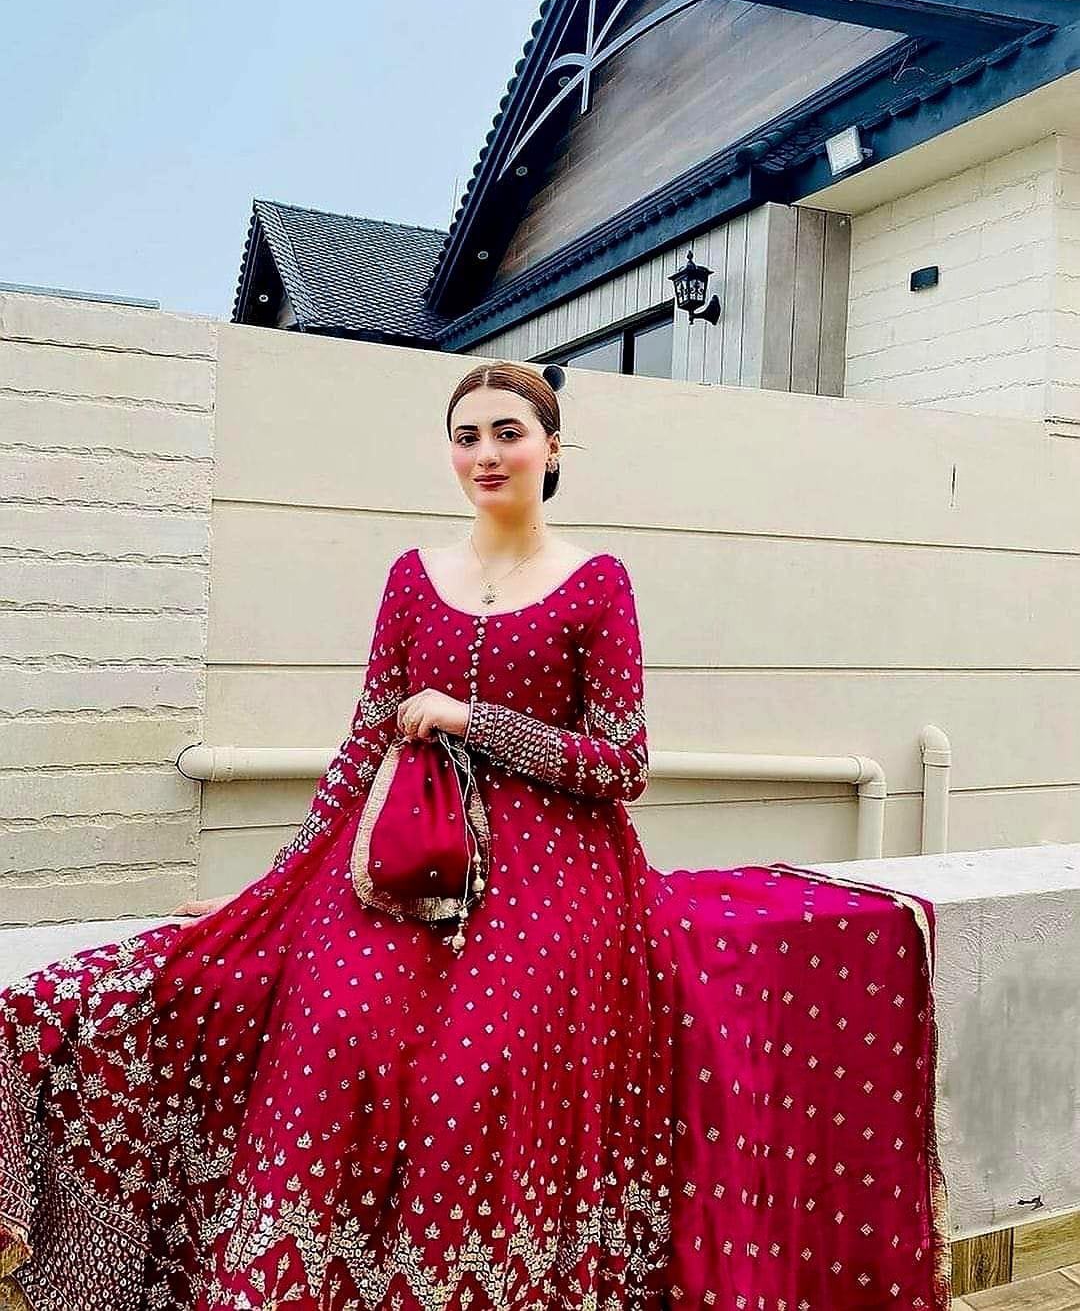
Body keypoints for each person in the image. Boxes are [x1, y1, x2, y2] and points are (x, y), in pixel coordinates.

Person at [0, 361, 952, 1311]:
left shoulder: (597, 583)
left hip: (560, 869)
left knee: (475, 1076)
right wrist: (273, 887)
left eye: (508, 433)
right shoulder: (413, 579)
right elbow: (364, 741)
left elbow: (621, 762)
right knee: (336, 1032)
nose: (486, 454)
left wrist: (474, 720)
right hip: (401, 861)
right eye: (467, 437)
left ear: (552, 450)